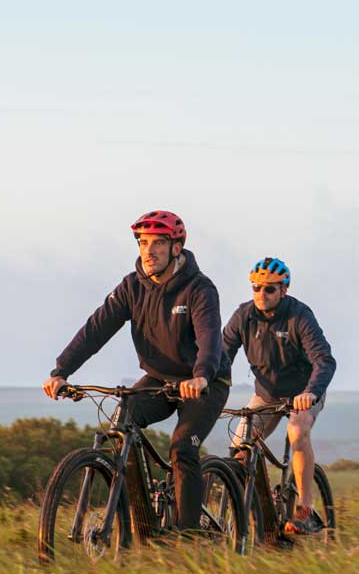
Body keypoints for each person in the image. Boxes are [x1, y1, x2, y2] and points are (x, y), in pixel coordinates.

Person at [43, 211, 231, 530]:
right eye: (143, 242)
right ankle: (142, 525)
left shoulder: (200, 288)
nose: (149, 250)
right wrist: (62, 370)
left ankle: (187, 536)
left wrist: (201, 375)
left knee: (182, 447)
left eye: (158, 242)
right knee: (120, 427)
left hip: (205, 382)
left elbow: (209, 337)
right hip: (158, 379)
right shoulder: (132, 287)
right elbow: (96, 329)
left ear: (176, 247)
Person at [222, 257, 336, 534]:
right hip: (267, 395)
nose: (262, 294)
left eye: (270, 289)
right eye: (256, 287)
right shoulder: (244, 315)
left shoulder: (299, 316)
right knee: (240, 448)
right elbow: (222, 353)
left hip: (304, 393)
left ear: (284, 289)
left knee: (297, 432)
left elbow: (324, 360)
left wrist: (310, 392)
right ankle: (255, 514)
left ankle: (305, 508)